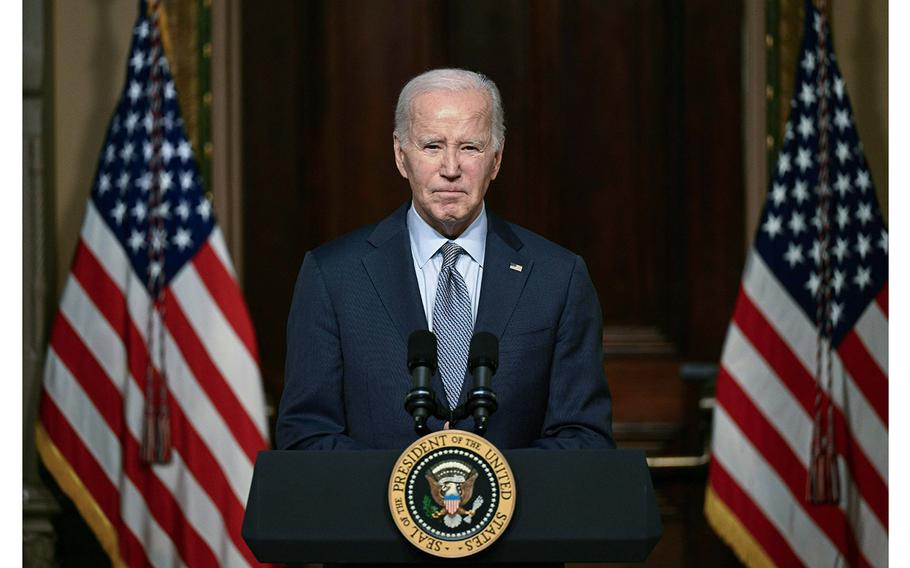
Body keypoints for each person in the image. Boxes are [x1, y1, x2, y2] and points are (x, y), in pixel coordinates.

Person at [276, 68, 614, 451]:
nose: (451, 168)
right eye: (432, 146)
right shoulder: (333, 276)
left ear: (497, 160)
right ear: (401, 157)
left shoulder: (558, 277)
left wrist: (486, 485)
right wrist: (413, 485)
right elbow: (306, 436)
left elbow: (585, 438)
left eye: (470, 147)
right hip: (373, 510)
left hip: (519, 509)